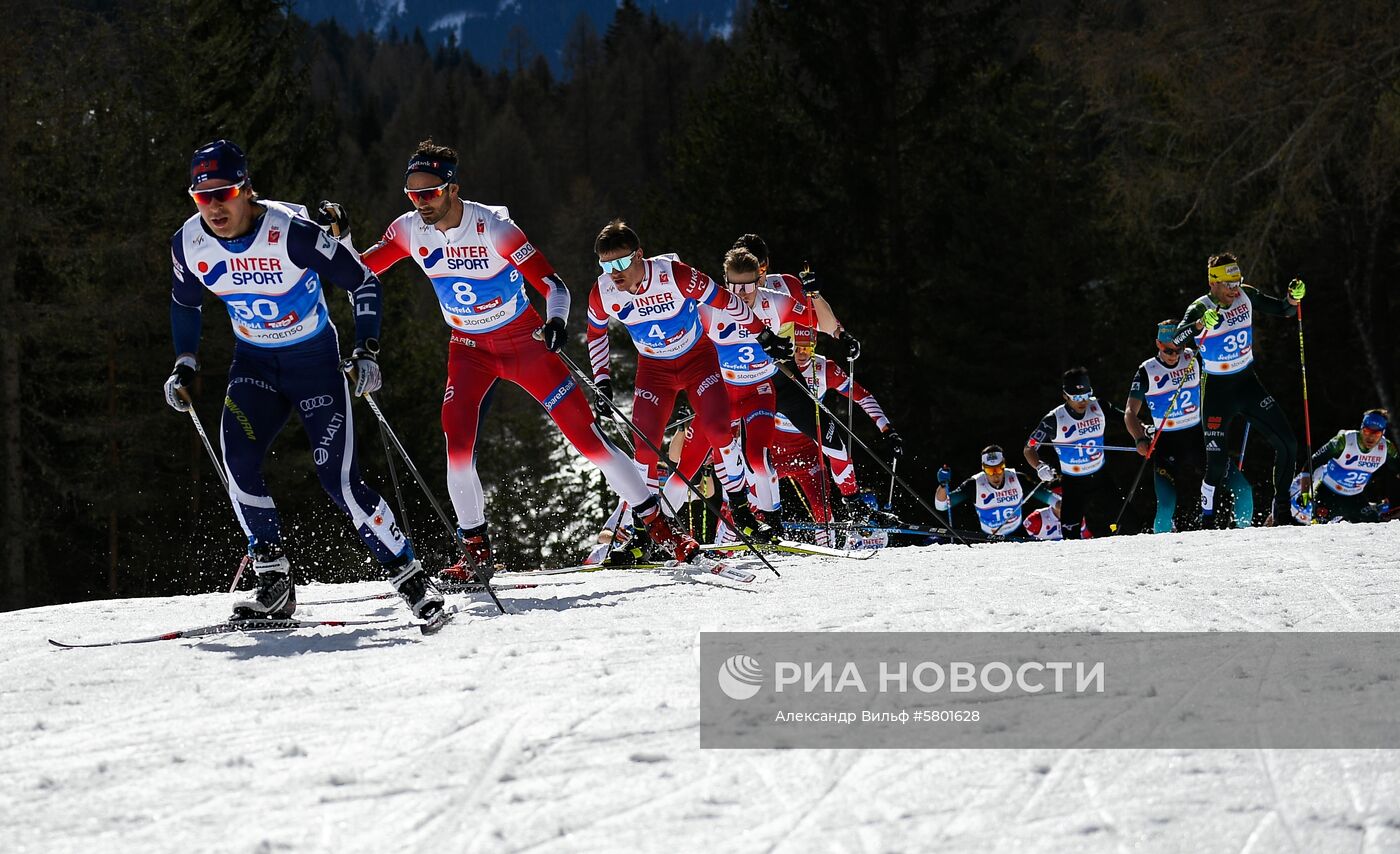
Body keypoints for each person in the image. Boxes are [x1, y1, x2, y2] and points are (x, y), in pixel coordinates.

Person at [359, 141, 701, 572]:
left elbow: (555, 287)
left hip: (523, 342)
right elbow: (360, 268)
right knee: (457, 442)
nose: (420, 203)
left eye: (429, 193)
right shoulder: (409, 229)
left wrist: (557, 322)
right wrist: (335, 243)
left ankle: (661, 528)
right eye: (412, 194)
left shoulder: (494, 229)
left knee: (587, 438)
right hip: (468, 349)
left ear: (452, 189)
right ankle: (475, 551)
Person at [163, 140, 443, 621]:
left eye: (223, 192)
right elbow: (185, 303)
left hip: (314, 365)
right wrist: (184, 362)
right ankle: (274, 580)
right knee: (239, 461)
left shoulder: (291, 234)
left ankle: (411, 577)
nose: (213, 206)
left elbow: (364, 281)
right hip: (254, 366)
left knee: (339, 480)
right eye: (200, 196)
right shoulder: (189, 243)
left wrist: (367, 351)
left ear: (247, 190)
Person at [586, 220, 791, 545]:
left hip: (697, 359)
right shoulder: (604, 292)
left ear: (639, 255)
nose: (615, 272)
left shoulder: (674, 274)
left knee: (719, 431)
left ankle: (741, 511)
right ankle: (644, 530)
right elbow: (595, 334)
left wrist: (762, 333)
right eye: (607, 265)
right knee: (645, 447)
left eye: (622, 262)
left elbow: (726, 300)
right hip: (655, 370)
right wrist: (602, 381)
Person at [664, 247, 818, 540]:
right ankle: (657, 534)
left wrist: (799, 336)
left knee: (758, 458)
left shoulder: (774, 302)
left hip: (759, 392)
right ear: (725, 281)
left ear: (759, 280)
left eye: (748, 285)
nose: (742, 293)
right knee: (688, 466)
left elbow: (811, 317)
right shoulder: (709, 308)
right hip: (720, 395)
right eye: (734, 285)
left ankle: (774, 525)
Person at [1171, 252, 1304, 526]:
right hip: (1218, 393)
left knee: (1288, 443)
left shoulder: (1246, 295)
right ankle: (1207, 518)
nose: (1234, 289)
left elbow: (1283, 310)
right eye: (1229, 285)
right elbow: (1176, 339)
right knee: (1217, 464)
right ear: (1214, 283)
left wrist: (1293, 299)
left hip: (1247, 384)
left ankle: (1281, 512)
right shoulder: (1201, 307)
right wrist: (1199, 324)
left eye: (1237, 282)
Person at [773, 325, 903, 518]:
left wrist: (887, 429)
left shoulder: (825, 368)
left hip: (808, 443)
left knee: (840, 452)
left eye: (807, 348)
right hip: (775, 442)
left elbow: (861, 396)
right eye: (797, 347)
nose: (801, 354)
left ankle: (854, 504)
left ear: (814, 346)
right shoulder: (773, 365)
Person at [1023, 367, 1126, 538]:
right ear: (1065, 396)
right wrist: (1039, 466)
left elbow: (1125, 418)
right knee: (1070, 533)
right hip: (1073, 481)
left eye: (1086, 395)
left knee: (1124, 518)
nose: (1082, 401)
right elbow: (1029, 447)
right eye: (1077, 397)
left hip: (1100, 475)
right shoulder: (1053, 419)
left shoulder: (1098, 406)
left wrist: (1143, 432)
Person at [1124, 320, 1206, 532]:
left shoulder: (1193, 357)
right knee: (1167, 506)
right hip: (1167, 444)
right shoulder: (1147, 370)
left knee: (1224, 493)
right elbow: (1130, 413)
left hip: (1198, 438)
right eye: (1168, 350)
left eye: (1178, 348)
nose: (1174, 355)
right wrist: (1140, 438)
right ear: (1158, 344)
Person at [730, 233, 861, 359]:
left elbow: (824, 322)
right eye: (748, 274)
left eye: (761, 269)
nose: (757, 278)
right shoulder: (727, 297)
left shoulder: (785, 287)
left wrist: (844, 336)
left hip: (783, 366)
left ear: (767, 262)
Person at [1302, 408, 1397, 523]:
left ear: (1383, 433)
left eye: (1376, 434)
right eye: (1367, 431)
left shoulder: (1387, 448)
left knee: (1375, 526)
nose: (1370, 438)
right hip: (1328, 494)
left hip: (1355, 498)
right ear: (1361, 428)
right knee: (1319, 528)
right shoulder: (1344, 441)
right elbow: (1311, 463)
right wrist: (1305, 493)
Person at [935, 446, 1047, 538]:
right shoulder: (974, 484)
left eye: (998, 469)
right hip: (987, 536)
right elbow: (941, 505)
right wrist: (943, 485)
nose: (995, 474)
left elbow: (1051, 499)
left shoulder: (1017, 478)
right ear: (983, 469)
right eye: (989, 470)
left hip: (1017, 532)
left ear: (1004, 465)